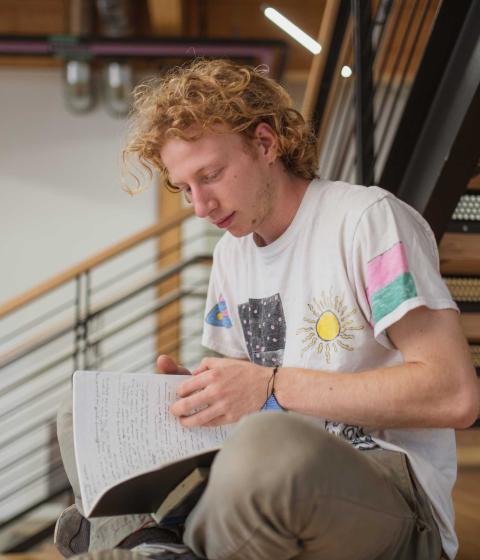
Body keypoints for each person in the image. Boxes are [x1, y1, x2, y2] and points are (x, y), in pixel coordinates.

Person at [56, 59, 479, 560]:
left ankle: (153, 540)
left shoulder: (367, 221)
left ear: (265, 143)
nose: (200, 206)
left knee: (269, 448)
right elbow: (240, 402)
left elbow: (455, 395)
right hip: (257, 473)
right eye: (184, 188)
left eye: (210, 175)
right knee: (78, 414)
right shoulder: (231, 255)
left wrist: (272, 387)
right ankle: (159, 542)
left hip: (390, 493)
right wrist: (200, 395)